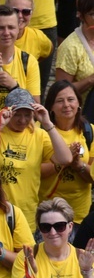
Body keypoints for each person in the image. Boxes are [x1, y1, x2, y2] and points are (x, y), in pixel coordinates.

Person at [0, 88, 72, 232]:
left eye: (27, 115)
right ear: (8, 111)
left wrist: (48, 125)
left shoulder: (39, 135)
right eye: (17, 114)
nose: (22, 120)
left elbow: (65, 159)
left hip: (26, 214)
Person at [40, 81, 94, 231]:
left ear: (79, 103)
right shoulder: (39, 133)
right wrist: (62, 161)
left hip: (79, 214)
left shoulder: (90, 132)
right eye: (59, 101)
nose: (66, 105)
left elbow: (92, 176)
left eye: (71, 99)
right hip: (47, 211)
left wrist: (78, 165)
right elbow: (33, 172)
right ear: (50, 106)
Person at [56, 0, 94, 105]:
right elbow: (61, 91)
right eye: (93, 14)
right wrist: (91, 79)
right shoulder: (70, 47)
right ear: (81, 16)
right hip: (84, 115)